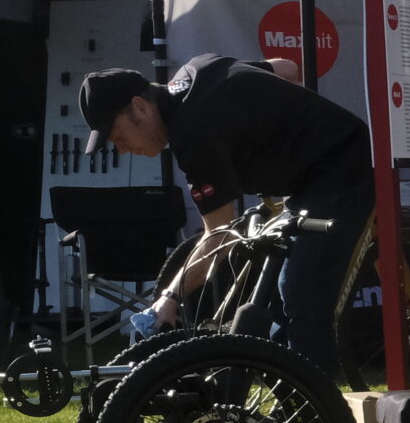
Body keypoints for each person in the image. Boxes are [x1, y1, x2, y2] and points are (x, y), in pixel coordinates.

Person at [80, 55, 372, 376]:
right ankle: (291, 394)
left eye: (119, 138)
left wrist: (168, 298)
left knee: (301, 293)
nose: (122, 150)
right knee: (274, 292)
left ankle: (318, 416)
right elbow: (288, 68)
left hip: (341, 165)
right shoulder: (198, 69)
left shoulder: (192, 132)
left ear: (140, 106)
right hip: (305, 179)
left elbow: (217, 236)